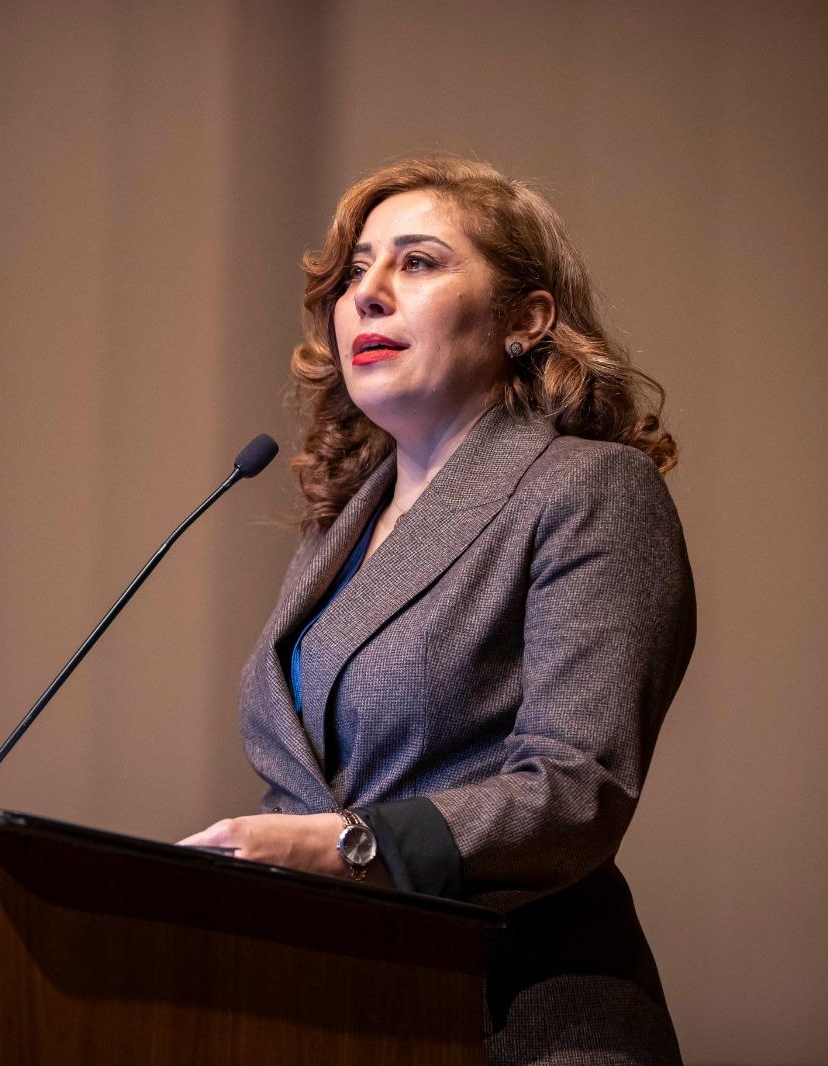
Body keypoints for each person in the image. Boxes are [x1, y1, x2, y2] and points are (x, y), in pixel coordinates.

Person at [178, 155, 697, 1065]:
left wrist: (348, 846)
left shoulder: (589, 489)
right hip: (343, 1016)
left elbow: (577, 791)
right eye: (354, 272)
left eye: (416, 262)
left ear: (526, 320)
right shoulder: (344, 525)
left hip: (515, 1019)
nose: (367, 294)